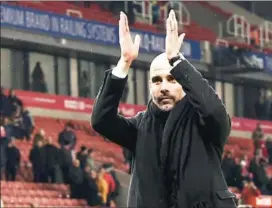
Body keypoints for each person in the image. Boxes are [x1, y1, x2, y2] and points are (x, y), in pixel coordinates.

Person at [91, 10, 236, 208]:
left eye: (172, 79)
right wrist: (124, 63)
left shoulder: (204, 123)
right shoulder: (140, 126)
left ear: (184, 82)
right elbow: (101, 120)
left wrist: (177, 62)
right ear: (150, 86)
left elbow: (214, 111)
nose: (164, 87)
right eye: (157, 81)